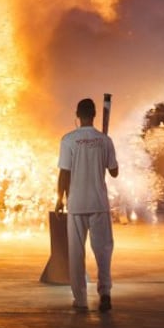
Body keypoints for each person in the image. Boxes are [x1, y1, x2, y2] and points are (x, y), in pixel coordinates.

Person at [55, 98, 119, 312]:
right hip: (99, 203)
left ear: (77, 114)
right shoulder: (105, 140)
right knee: (103, 251)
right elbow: (114, 172)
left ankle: (80, 300)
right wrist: (103, 159)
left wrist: (59, 199)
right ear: (94, 115)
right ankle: (105, 292)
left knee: (76, 253)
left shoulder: (68, 140)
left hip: (76, 203)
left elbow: (64, 173)